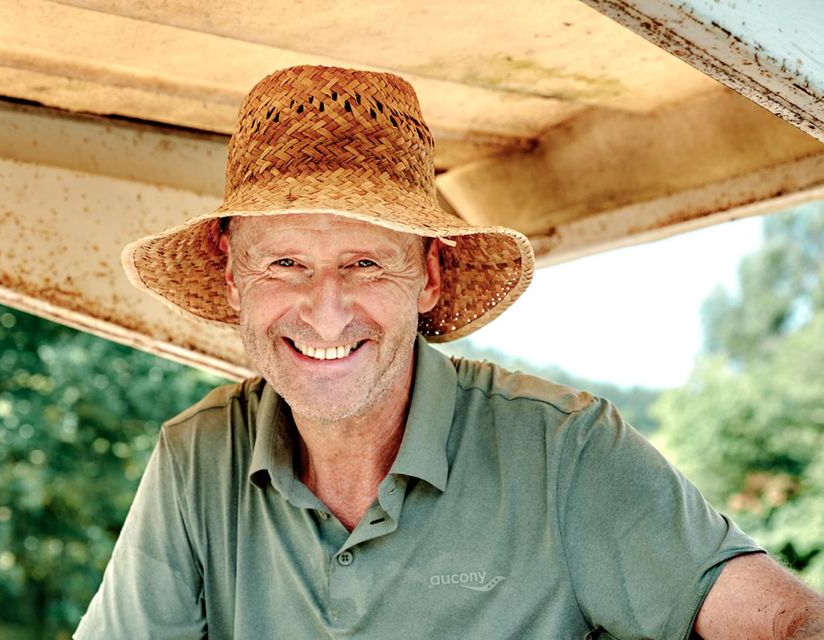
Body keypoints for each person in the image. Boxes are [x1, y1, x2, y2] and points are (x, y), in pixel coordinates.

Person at [75, 65, 824, 639]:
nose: (325, 311)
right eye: (285, 264)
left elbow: (784, 622)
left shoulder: (563, 450)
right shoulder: (196, 460)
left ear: (429, 276)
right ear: (233, 273)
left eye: (365, 263)